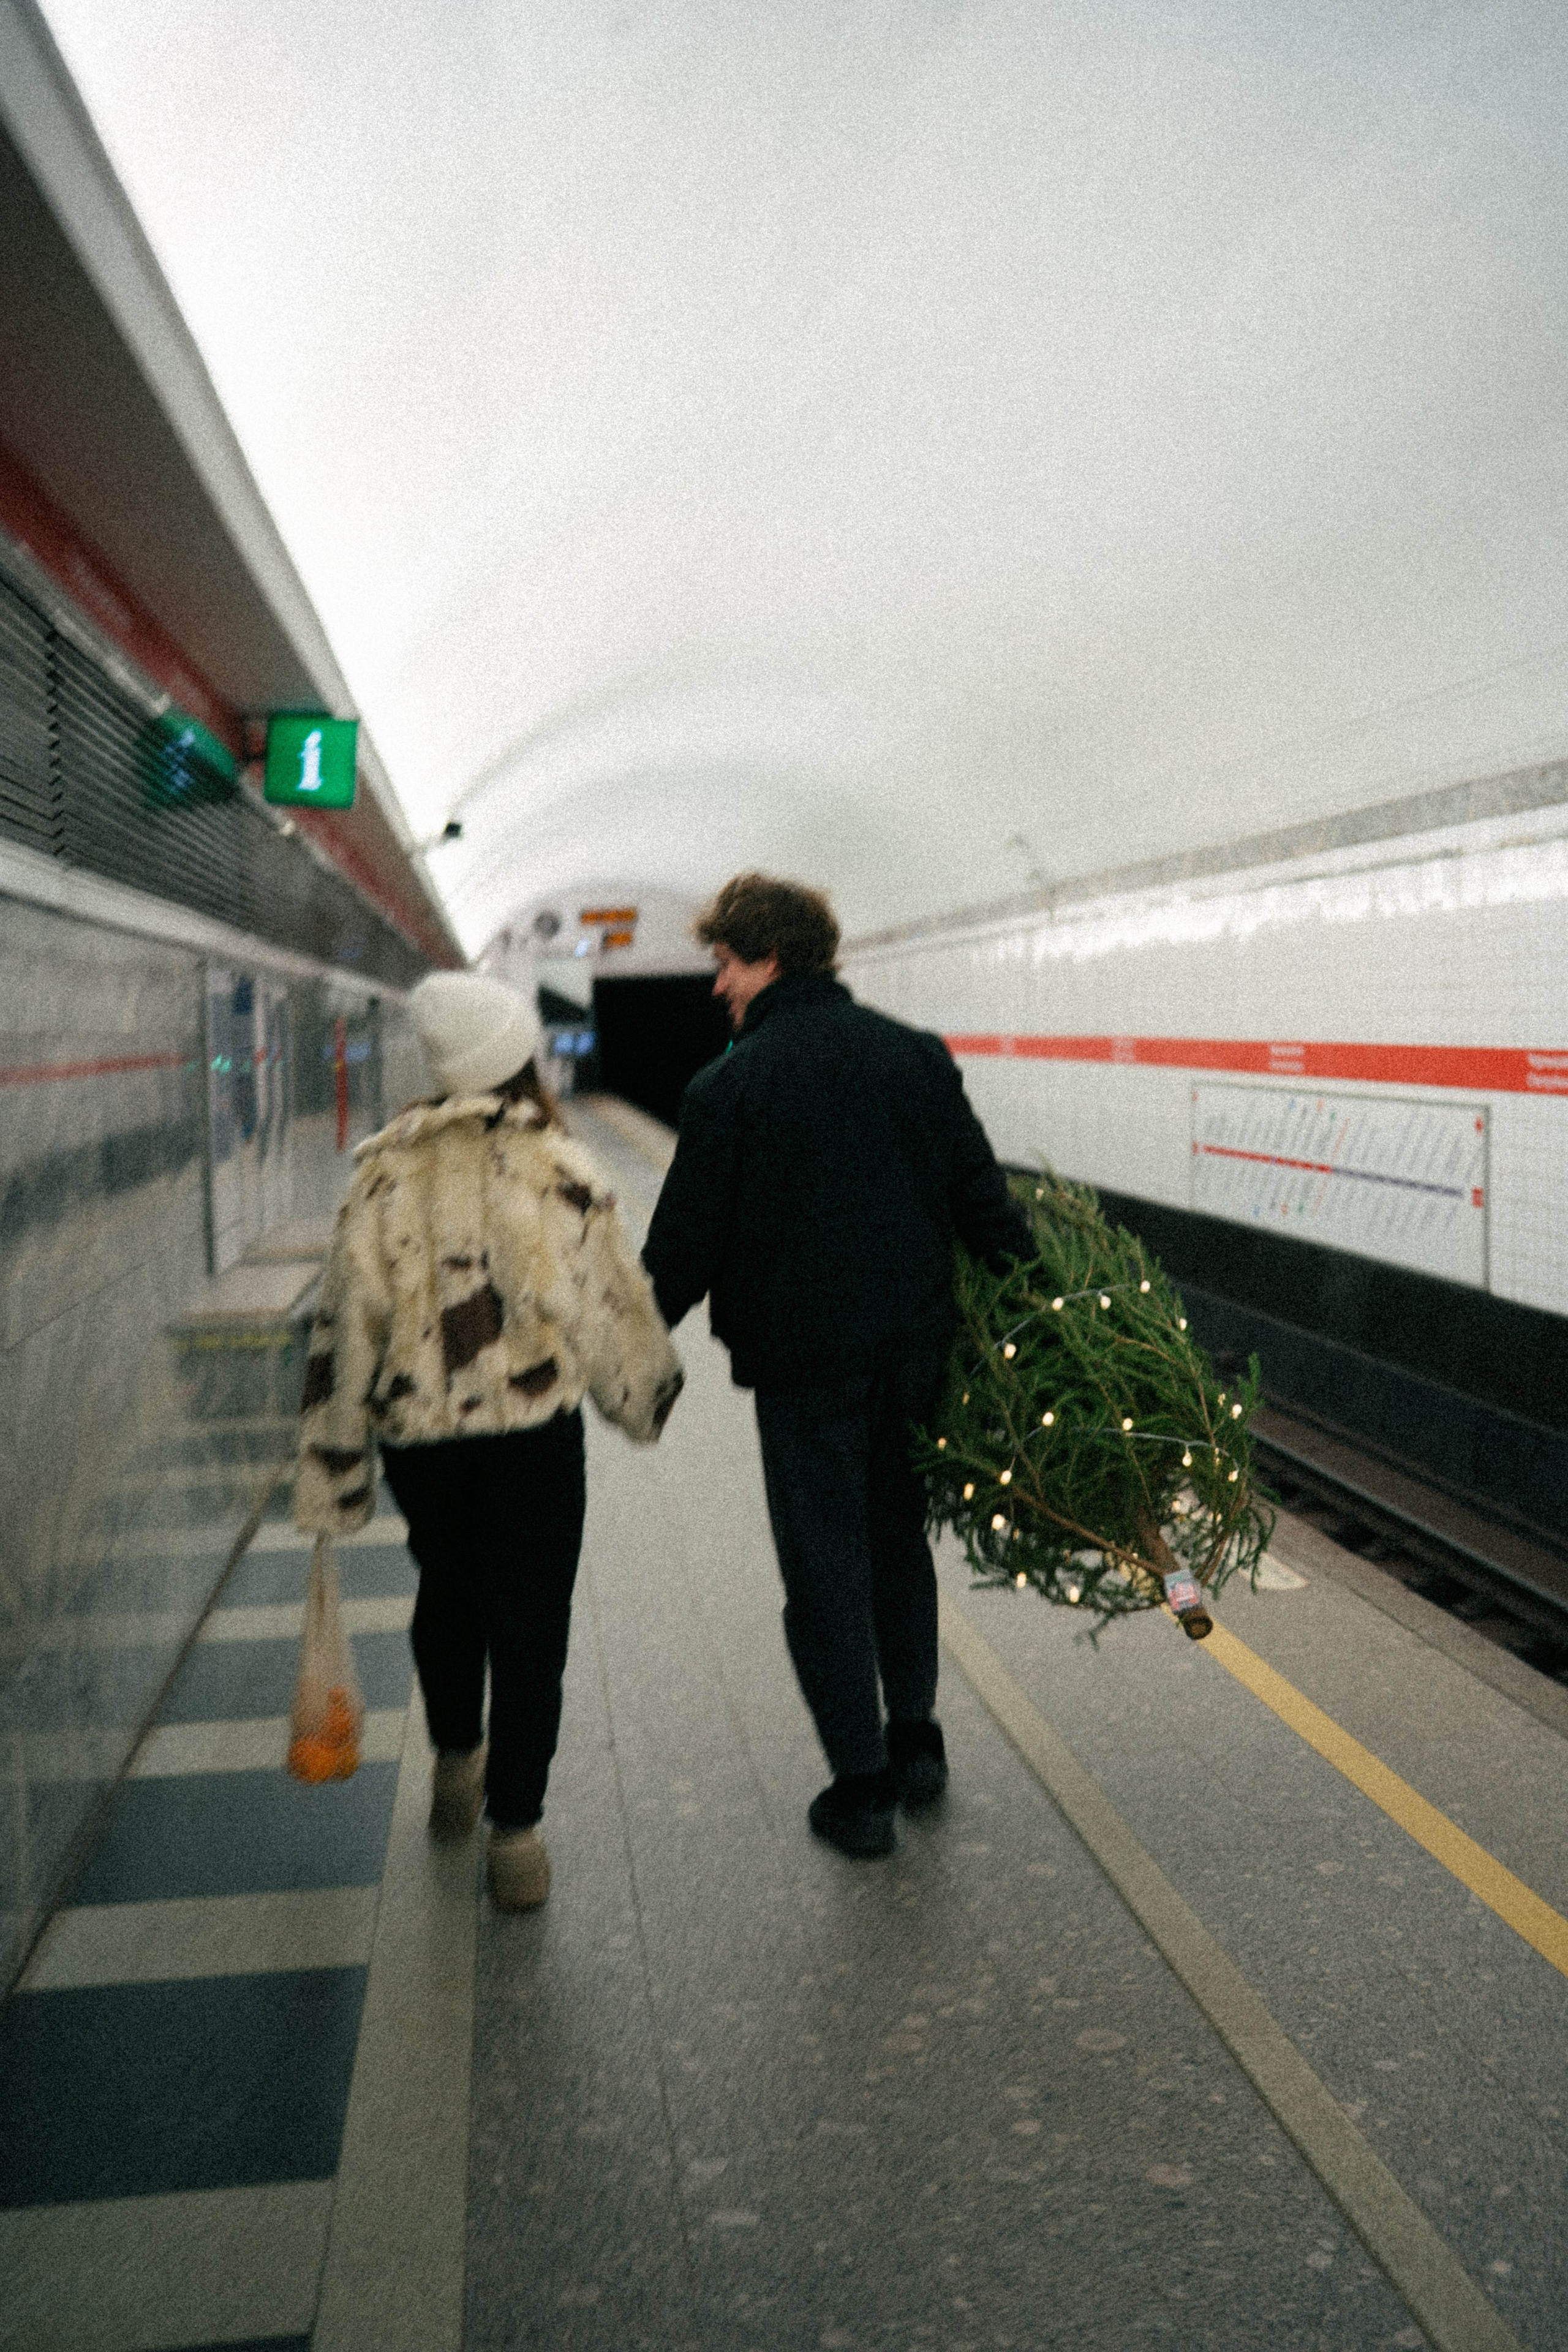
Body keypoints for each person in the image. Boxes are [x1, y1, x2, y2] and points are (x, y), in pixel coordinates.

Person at [642, 873, 1030, 1858]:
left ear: (769, 958)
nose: (718, 986)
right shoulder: (914, 1056)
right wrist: (1040, 1315)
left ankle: (861, 1792)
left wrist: (621, 1350)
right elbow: (983, 1203)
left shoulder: (730, 1087)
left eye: (726, 964)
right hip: (912, 1357)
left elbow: (681, 1251)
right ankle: (917, 1745)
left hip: (804, 1373)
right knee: (898, 1543)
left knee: (824, 1568)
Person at [293, 971, 683, 1909]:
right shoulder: (556, 1168)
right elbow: (609, 1305)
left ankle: (455, 1764)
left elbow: (344, 1327)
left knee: (449, 1590)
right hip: (529, 1442)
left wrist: (335, 1462)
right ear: (516, 1060)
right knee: (531, 1625)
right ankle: (517, 1836)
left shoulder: (381, 1176)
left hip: (420, 1446)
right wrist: (640, 1398)